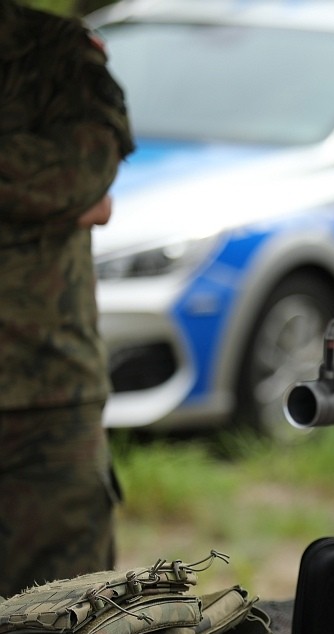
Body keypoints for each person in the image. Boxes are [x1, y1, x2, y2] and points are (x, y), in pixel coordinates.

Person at [0, 0, 134, 597]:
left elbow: (81, 175)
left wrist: (73, 197)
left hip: (46, 395)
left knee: (67, 626)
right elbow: (71, 194)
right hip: (47, 385)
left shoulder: (49, 48)